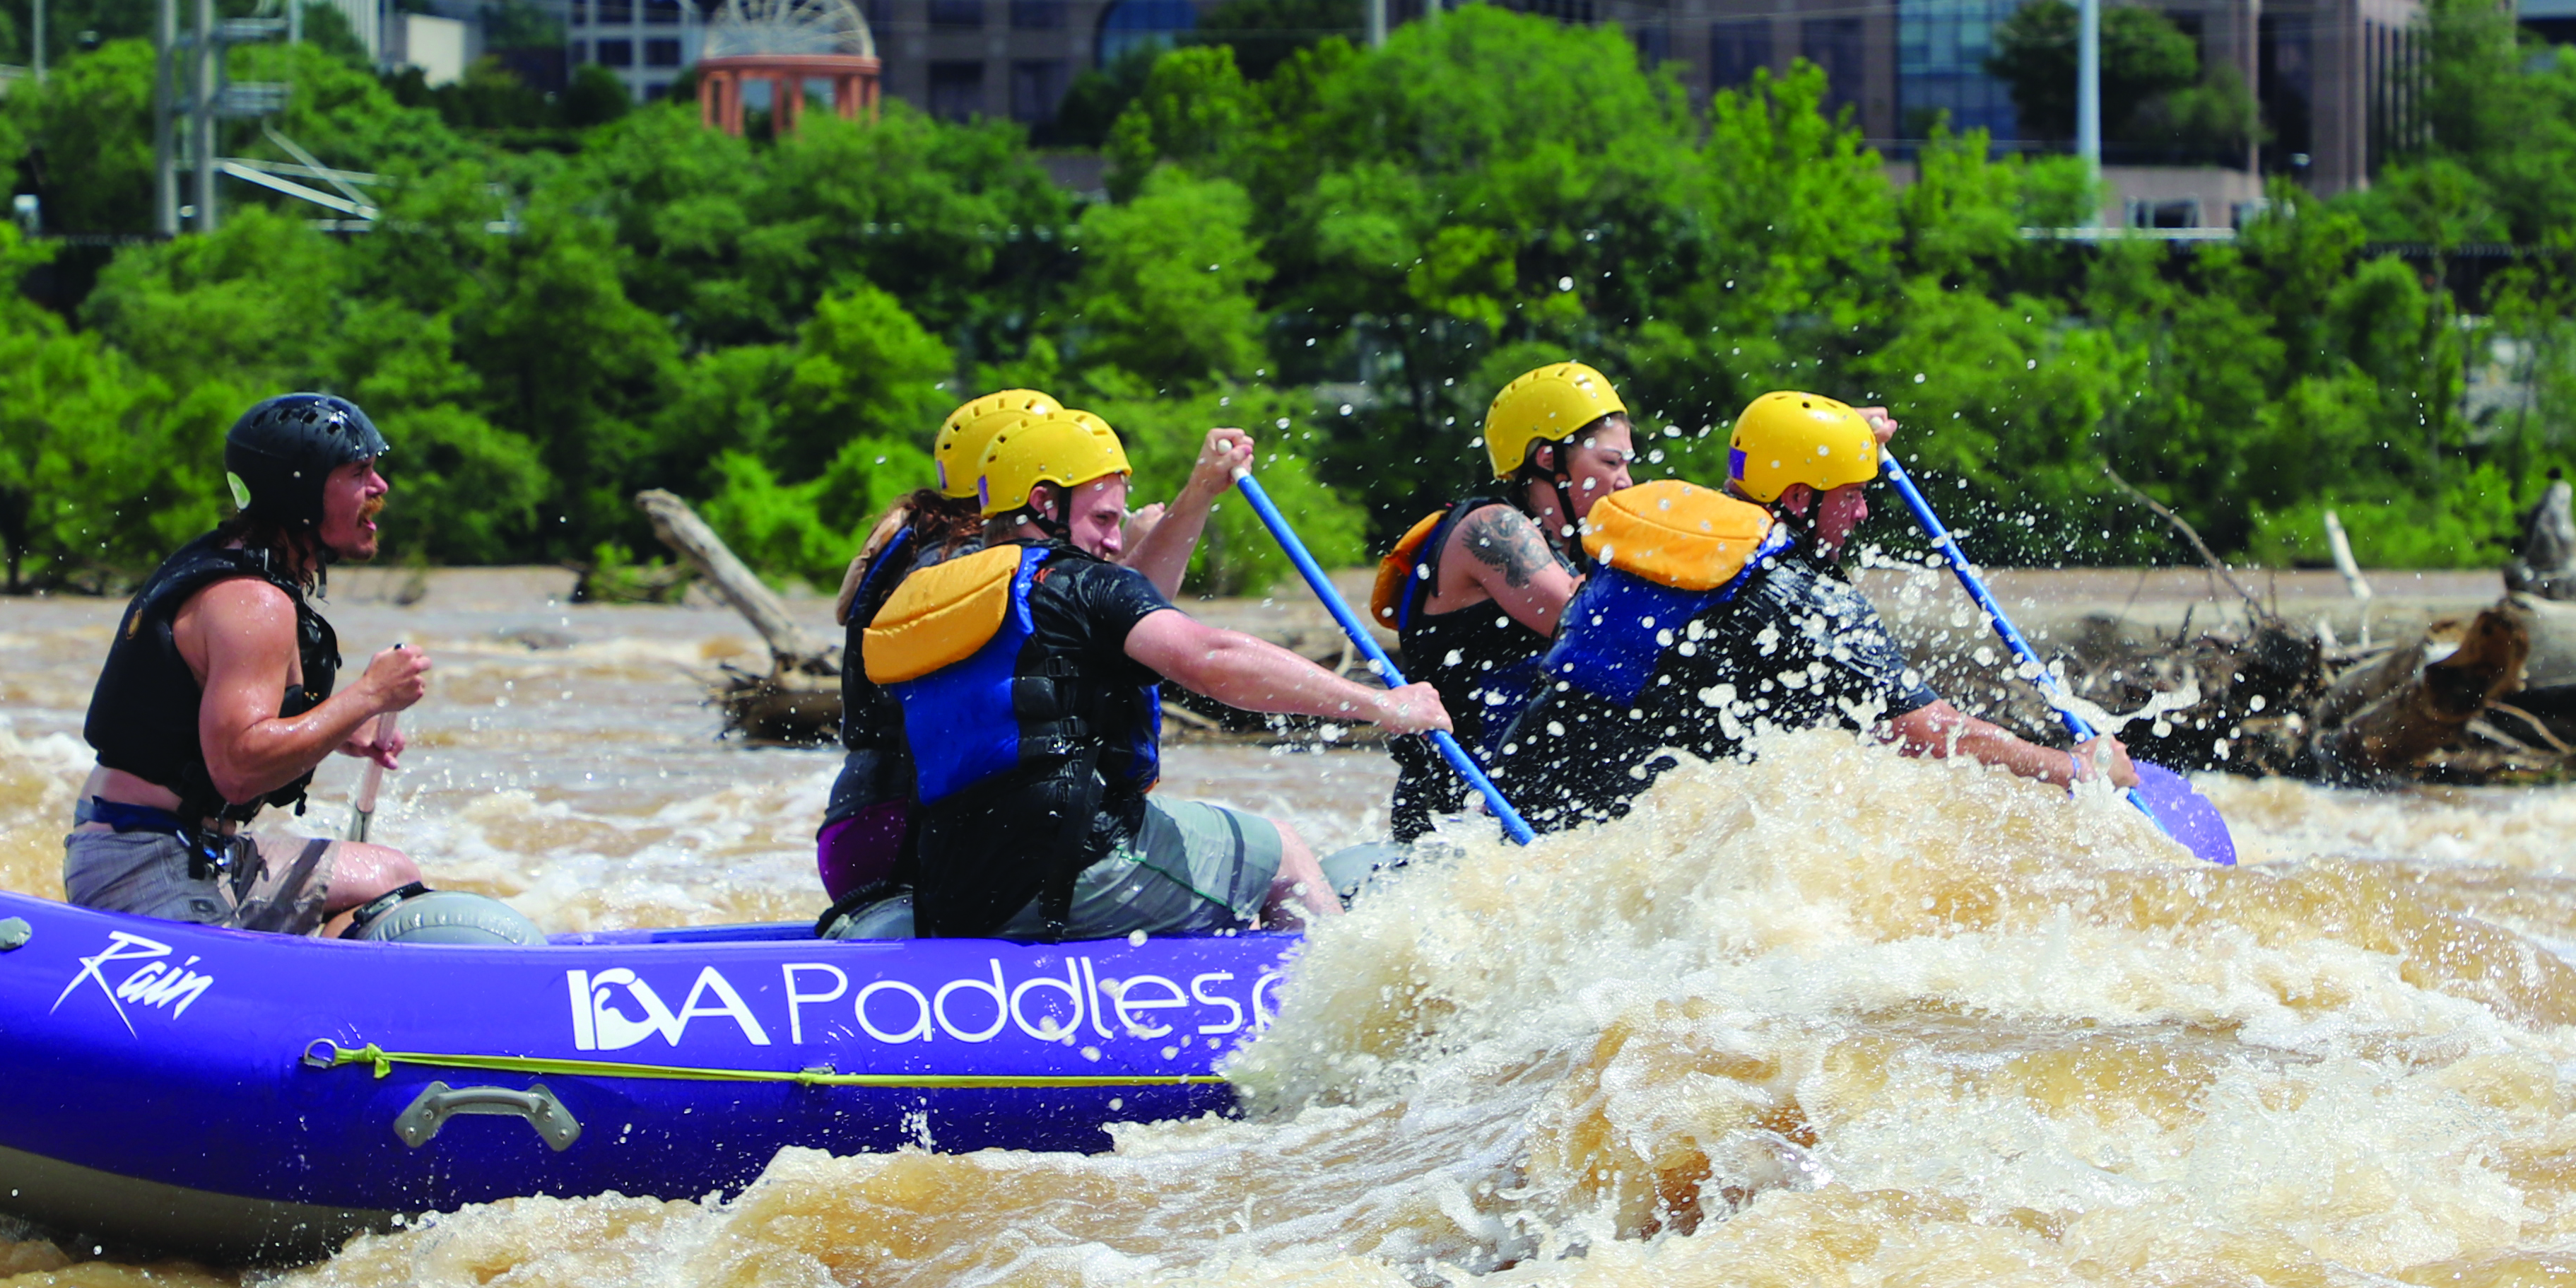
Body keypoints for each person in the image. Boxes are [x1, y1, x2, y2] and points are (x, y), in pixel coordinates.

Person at [847, 408, 1447, 940]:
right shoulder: (1074, 582)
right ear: (1043, 503)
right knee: (1283, 849)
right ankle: (1329, 1020)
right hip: (1075, 869)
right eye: (1105, 520)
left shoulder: (936, 596)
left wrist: (1199, 492)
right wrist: (1386, 707)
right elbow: (1210, 659)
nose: (1114, 542)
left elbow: (1109, 625)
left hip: (957, 890)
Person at [1488, 388, 2135, 829]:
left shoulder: (1686, 537)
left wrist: (1837, 437)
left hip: (1518, 792)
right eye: (1850, 494)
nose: (1861, 513)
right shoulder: (1802, 598)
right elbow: (1928, 731)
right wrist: (2077, 769)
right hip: (1603, 822)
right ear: (1798, 496)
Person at [819, 393, 1261, 911]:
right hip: (911, 836)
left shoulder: (933, 550)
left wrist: (1186, 507)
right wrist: (1146, 544)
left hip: (860, 830)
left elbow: (1104, 618)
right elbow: (1102, 619)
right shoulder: (977, 564)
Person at [68, 391, 435, 935]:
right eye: (360, 471)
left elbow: (203, 724)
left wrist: (337, 732)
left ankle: (343, 998)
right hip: (144, 859)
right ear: (302, 488)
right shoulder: (252, 601)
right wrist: (370, 696)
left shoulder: (242, 568)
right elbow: (238, 770)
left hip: (202, 847)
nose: (379, 488)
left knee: (390, 877)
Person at [1368, 359, 1637, 843]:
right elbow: (1589, 626)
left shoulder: (1574, 555)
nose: (1626, 482)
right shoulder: (1493, 528)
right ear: (1548, 459)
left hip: (1523, 804)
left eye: (1628, 465)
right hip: (1456, 818)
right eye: (1611, 463)